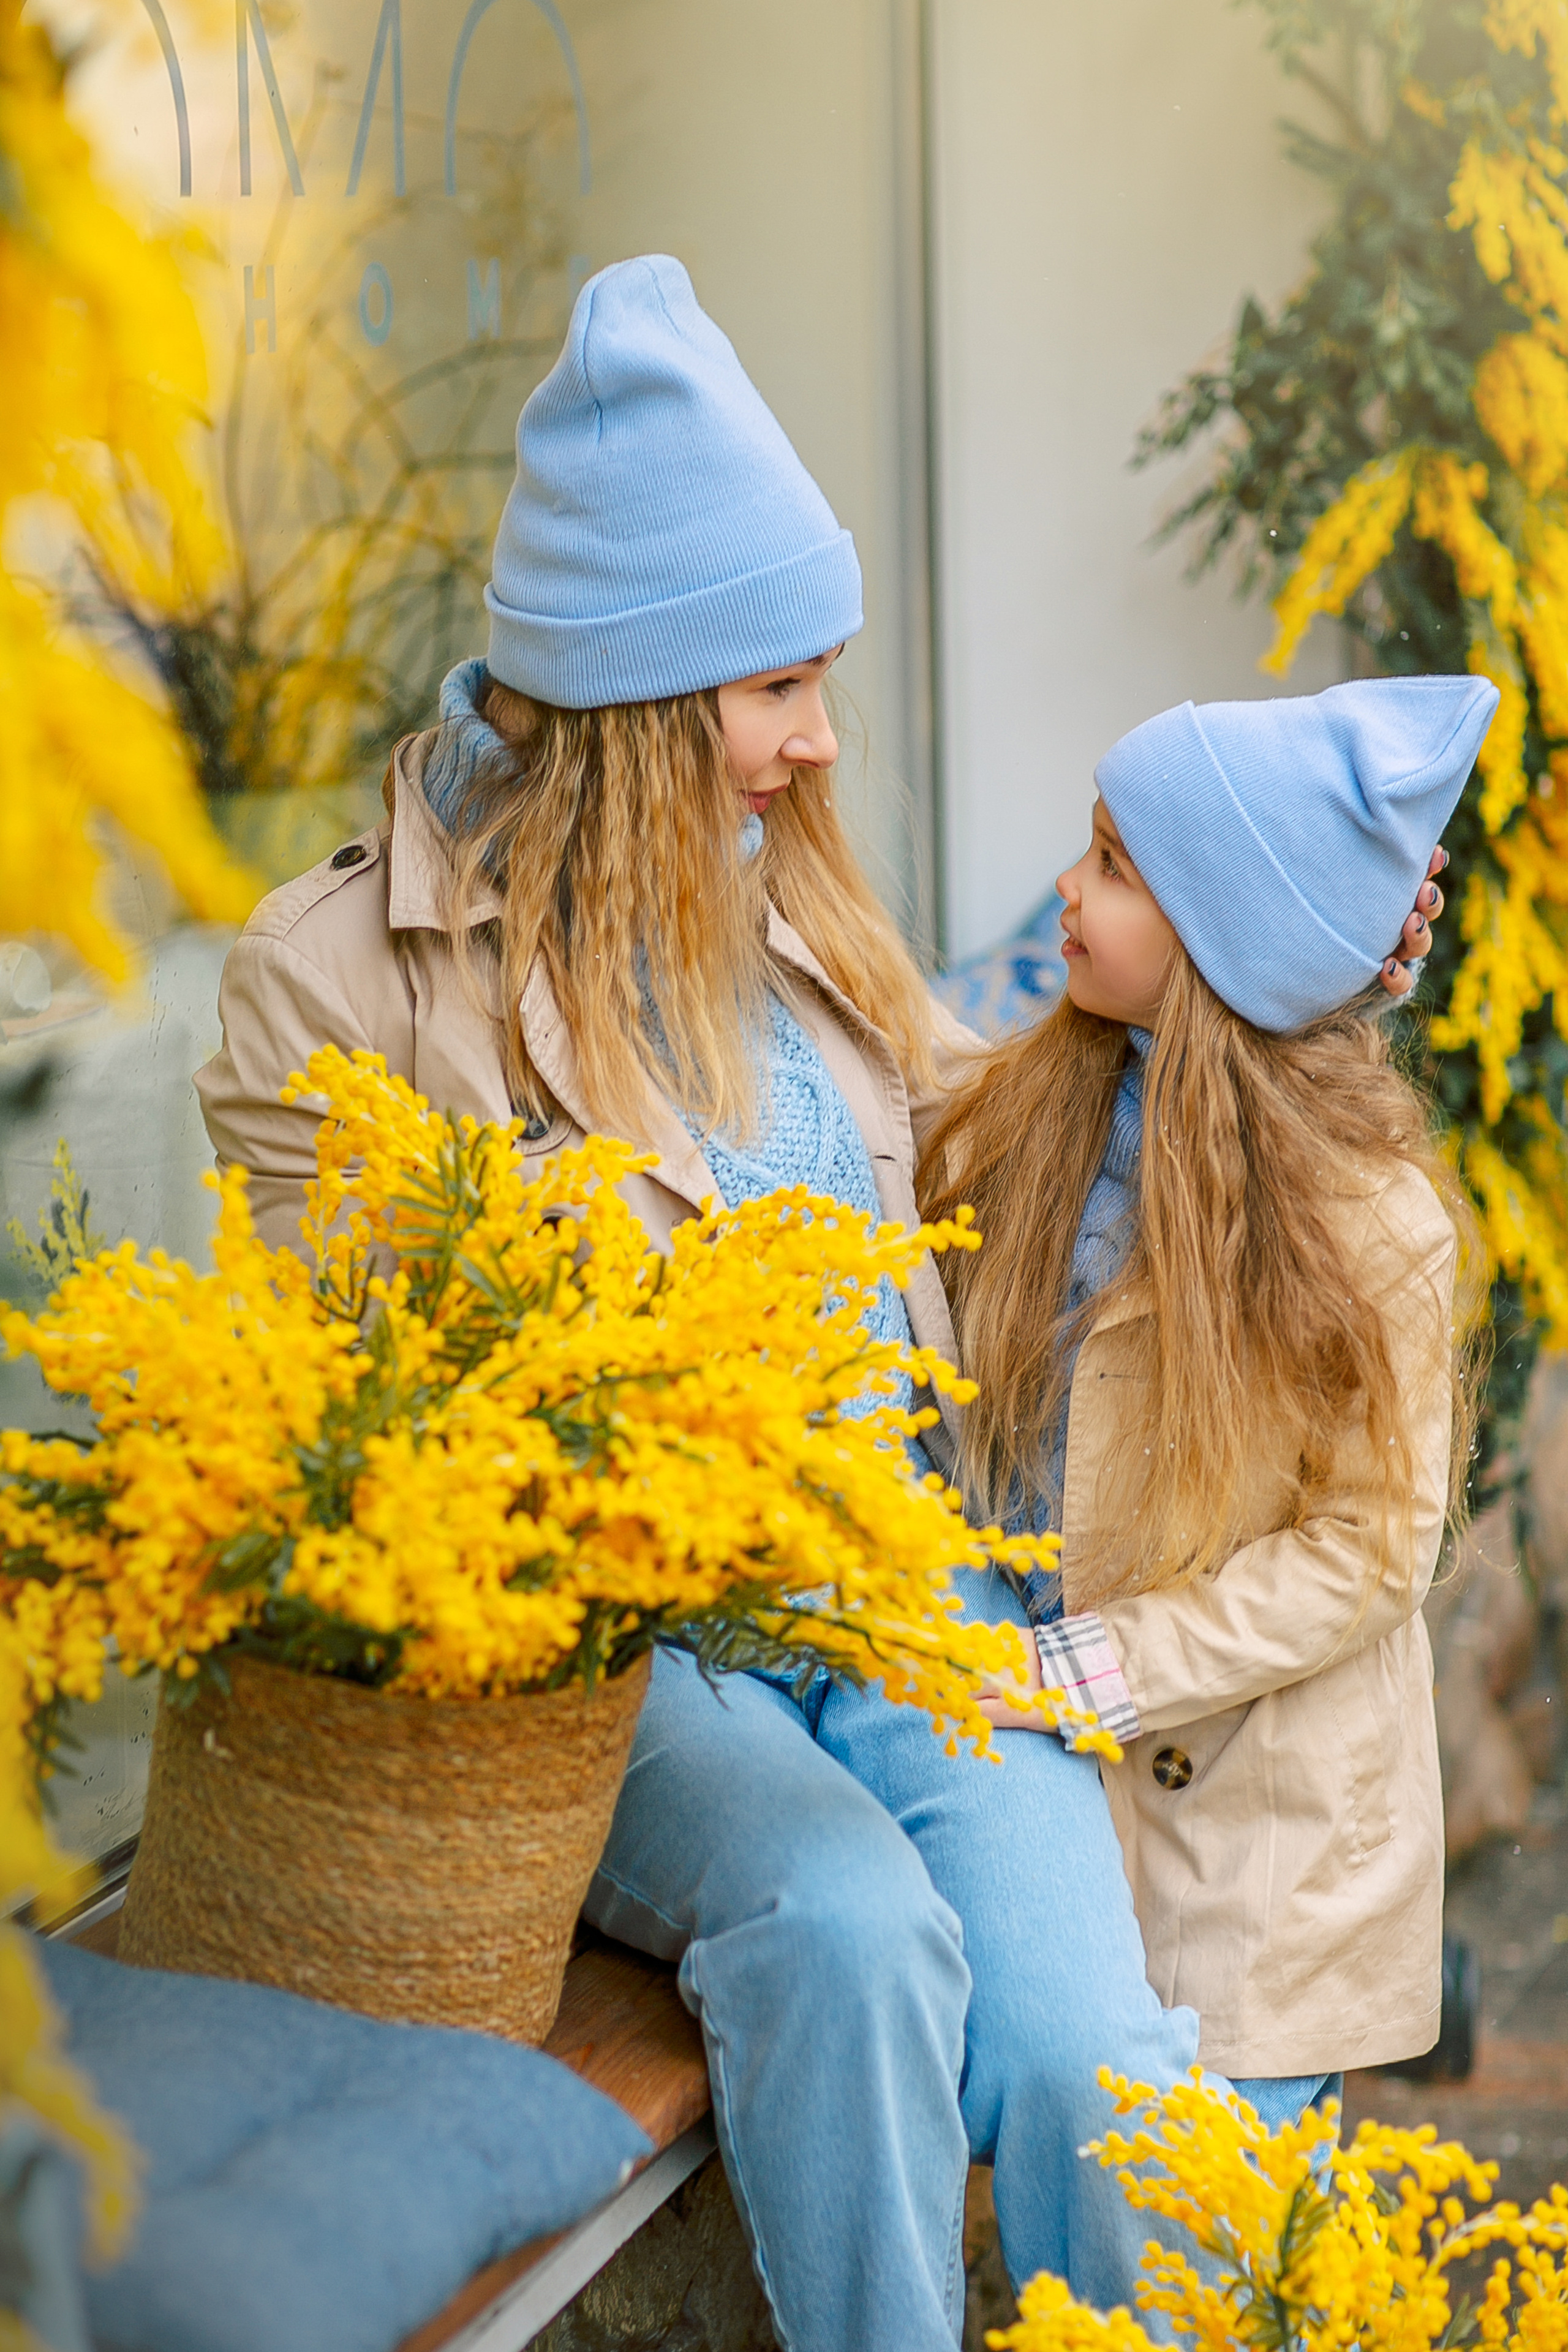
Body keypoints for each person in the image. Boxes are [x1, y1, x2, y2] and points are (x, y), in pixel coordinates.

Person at [194, 257, 1450, 2352]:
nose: (819, 738)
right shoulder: (337, 982)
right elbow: (343, 1441)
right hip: (634, 1657)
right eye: (780, 686)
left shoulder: (784, 908)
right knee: (854, 1933)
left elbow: (1030, 1121)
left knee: (1086, 2057)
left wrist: (1290, 957)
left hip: (910, 1602)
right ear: (646, 693)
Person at [922, 675, 1490, 2153]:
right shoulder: (1031, 1115)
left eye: (1111, 864)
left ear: (1221, 943)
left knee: (1212, 2260)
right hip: (1069, 1793)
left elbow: (1369, 1553)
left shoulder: (1363, 1223)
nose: (1062, 889)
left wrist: (1098, 1662)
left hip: (1260, 1854)